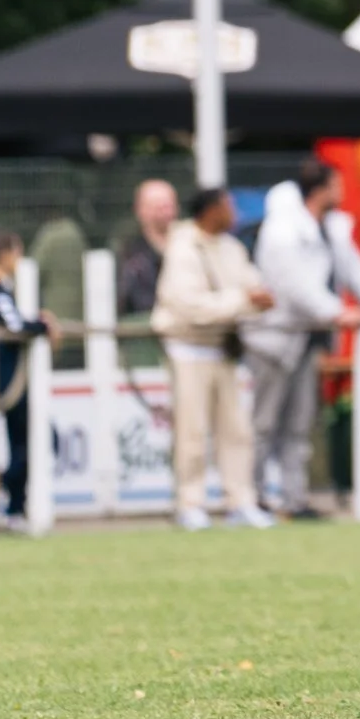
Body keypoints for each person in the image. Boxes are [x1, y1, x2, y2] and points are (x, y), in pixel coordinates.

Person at [151, 187, 275, 531]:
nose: (233, 211)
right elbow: (191, 307)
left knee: (236, 431)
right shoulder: (183, 247)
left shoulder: (232, 248)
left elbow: (254, 288)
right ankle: (190, 504)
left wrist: (253, 298)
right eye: (227, 205)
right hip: (187, 348)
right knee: (191, 431)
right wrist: (243, 301)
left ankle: (241, 501)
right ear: (209, 211)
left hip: (224, 349)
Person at [247, 162, 352, 516]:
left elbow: (352, 271)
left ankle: (294, 499)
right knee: (263, 424)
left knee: (299, 425)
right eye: (336, 184)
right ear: (320, 188)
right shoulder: (281, 230)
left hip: (305, 340)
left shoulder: (326, 228)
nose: (342, 190)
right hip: (273, 343)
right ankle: (251, 498)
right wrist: (337, 312)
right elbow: (295, 287)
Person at [0, 231, 43, 528]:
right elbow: (14, 323)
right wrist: (43, 324)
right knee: (21, 440)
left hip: (7, 378)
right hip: (6, 380)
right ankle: (14, 508)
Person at [115, 179, 179, 321]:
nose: (165, 213)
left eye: (168, 206)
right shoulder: (129, 251)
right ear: (140, 210)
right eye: (158, 207)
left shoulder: (189, 243)